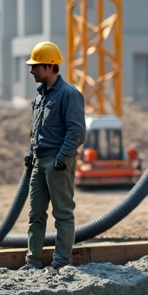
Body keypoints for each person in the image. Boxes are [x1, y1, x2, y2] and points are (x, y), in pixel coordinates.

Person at [23, 41, 86, 269]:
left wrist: (62, 158)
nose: (31, 70)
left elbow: (76, 131)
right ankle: (33, 262)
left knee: (63, 215)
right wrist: (31, 152)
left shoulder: (69, 95)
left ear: (49, 66)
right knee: (35, 215)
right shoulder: (41, 96)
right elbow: (37, 130)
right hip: (40, 162)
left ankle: (60, 263)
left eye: (35, 66)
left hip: (58, 163)